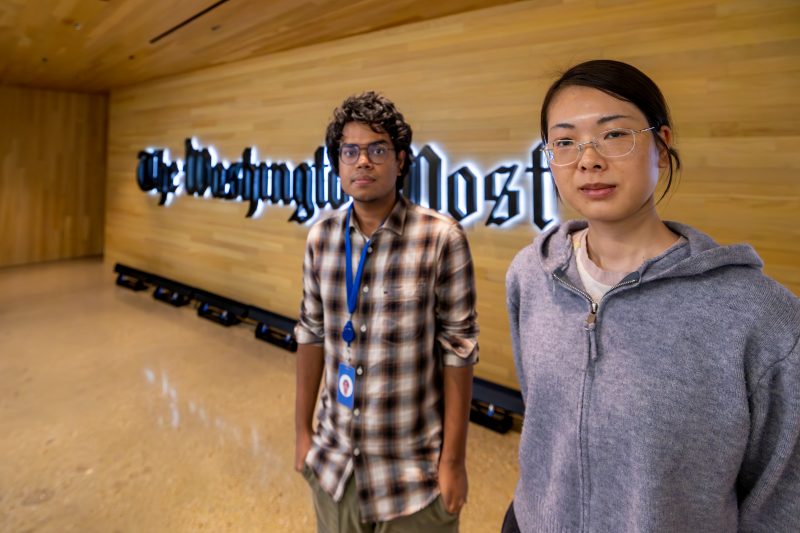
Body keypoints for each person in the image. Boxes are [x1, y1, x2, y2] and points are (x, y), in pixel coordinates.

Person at [503, 59, 800, 532]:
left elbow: (781, 498)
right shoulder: (531, 275)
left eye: (614, 135)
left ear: (661, 146)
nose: (588, 159)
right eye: (564, 142)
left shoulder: (757, 316)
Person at [294, 91, 479, 532]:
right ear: (337, 164)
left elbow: (459, 354)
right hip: (335, 469)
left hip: (413, 476)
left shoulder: (441, 239)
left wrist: (453, 462)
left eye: (377, 150)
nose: (363, 162)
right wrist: (302, 435)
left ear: (399, 161)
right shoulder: (321, 238)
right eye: (350, 151)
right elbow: (310, 334)